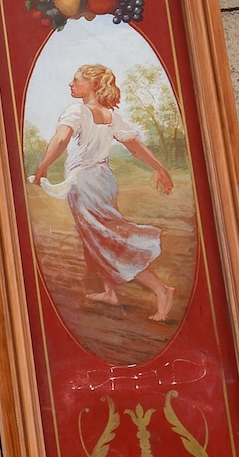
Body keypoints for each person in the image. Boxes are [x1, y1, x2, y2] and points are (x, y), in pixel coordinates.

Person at [29, 63, 176, 321]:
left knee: (106, 238)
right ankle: (110, 292)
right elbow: (135, 147)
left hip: (85, 184)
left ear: (94, 85)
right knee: (96, 236)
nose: (71, 84)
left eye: (77, 80)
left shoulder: (77, 111)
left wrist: (43, 167)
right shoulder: (111, 116)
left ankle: (161, 290)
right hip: (104, 180)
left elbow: (61, 139)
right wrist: (159, 168)